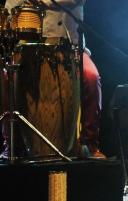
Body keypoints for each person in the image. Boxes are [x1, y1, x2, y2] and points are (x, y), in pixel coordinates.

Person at [1, 0, 105, 159]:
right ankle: (12, 144)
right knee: (7, 80)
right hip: (29, 47)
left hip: (71, 46)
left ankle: (89, 144)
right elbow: (10, 10)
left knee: (92, 77)